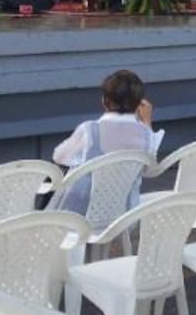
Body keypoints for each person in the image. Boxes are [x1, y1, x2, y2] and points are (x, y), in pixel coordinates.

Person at [51, 70, 163, 215]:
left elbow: (59, 157)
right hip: (122, 214)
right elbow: (149, 168)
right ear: (139, 104)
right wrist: (146, 122)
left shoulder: (91, 130)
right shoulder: (146, 134)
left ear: (104, 101)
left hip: (78, 213)